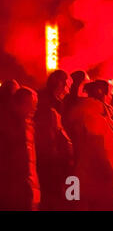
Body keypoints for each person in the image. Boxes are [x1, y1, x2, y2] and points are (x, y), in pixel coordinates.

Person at [68, 79, 113, 210]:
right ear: (102, 94)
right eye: (110, 94)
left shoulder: (92, 114)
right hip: (97, 183)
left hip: (89, 181)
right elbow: (98, 150)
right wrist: (111, 177)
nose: (111, 97)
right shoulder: (93, 117)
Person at [34, 70, 73, 210]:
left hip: (54, 169)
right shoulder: (47, 108)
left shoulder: (52, 105)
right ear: (59, 84)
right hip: (52, 171)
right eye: (67, 86)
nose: (68, 91)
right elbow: (49, 144)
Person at [0, 87, 40, 210]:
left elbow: (30, 162)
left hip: (25, 189)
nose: (34, 109)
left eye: (35, 105)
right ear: (18, 104)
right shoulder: (8, 128)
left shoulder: (27, 126)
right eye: (30, 104)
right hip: (13, 192)